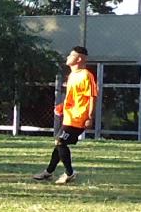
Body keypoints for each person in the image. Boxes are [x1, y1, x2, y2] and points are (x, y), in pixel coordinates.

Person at [33, 47, 96, 183]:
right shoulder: (72, 75)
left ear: (79, 59)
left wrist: (90, 117)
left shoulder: (86, 75)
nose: (67, 57)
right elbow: (73, 97)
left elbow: (92, 97)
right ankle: (48, 172)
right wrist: (62, 107)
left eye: (71, 55)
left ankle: (69, 173)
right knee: (59, 144)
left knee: (60, 142)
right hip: (69, 116)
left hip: (79, 117)